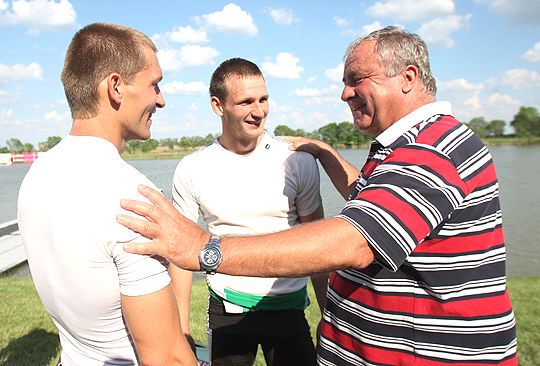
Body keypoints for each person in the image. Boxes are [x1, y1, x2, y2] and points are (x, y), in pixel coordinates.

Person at [117, 26, 518, 365]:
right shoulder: (405, 148)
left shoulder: (432, 149)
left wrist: (204, 248)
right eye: (345, 82)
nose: (345, 94)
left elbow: (355, 240)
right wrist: (326, 152)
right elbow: (374, 204)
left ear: (408, 78)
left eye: (356, 79)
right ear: (218, 107)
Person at [17, 22, 197, 366]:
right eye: (154, 84)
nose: (161, 100)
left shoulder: (37, 174)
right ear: (115, 86)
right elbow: (166, 357)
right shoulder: (131, 196)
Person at [169, 57, 327, 366]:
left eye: (264, 99)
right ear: (218, 106)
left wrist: (328, 316)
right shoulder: (192, 168)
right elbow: (180, 255)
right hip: (227, 312)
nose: (259, 112)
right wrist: (181, 330)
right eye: (246, 102)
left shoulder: (298, 162)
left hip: (289, 310)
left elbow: (321, 246)